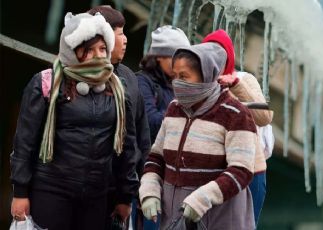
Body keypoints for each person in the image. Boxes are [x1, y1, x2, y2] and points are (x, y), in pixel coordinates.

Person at [10, 12, 139, 230]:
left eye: (102, 49)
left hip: (96, 196)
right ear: (72, 50)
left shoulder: (117, 89)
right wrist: (20, 192)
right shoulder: (47, 83)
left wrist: (125, 196)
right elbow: (24, 143)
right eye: (88, 49)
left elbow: (127, 147)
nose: (97, 56)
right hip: (51, 190)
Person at [138, 43, 256, 229]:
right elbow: (156, 157)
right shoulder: (174, 109)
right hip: (173, 216)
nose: (177, 82)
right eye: (175, 76)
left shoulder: (235, 114)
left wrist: (202, 199)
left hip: (218, 217)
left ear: (206, 76)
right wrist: (149, 190)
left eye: (184, 76)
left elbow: (241, 170)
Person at [87, 6, 151, 229]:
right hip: (79, 186)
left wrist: (141, 186)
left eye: (124, 32)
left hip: (118, 190)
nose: (125, 40)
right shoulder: (74, 75)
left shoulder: (129, 79)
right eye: (119, 33)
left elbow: (140, 137)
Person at [202, 29, 274, 226]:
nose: (215, 58)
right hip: (213, 173)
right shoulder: (199, 84)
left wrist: (236, 86)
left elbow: (264, 117)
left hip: (251, 172)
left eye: (220, 52)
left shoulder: (244, 79)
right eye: (210, 52)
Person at [136, 25, 190, 143]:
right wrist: (183, 104)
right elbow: (150, 124)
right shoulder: (142, 82)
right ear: (159, 56)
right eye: (175, 57)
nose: (180, 64)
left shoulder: (178, 83)